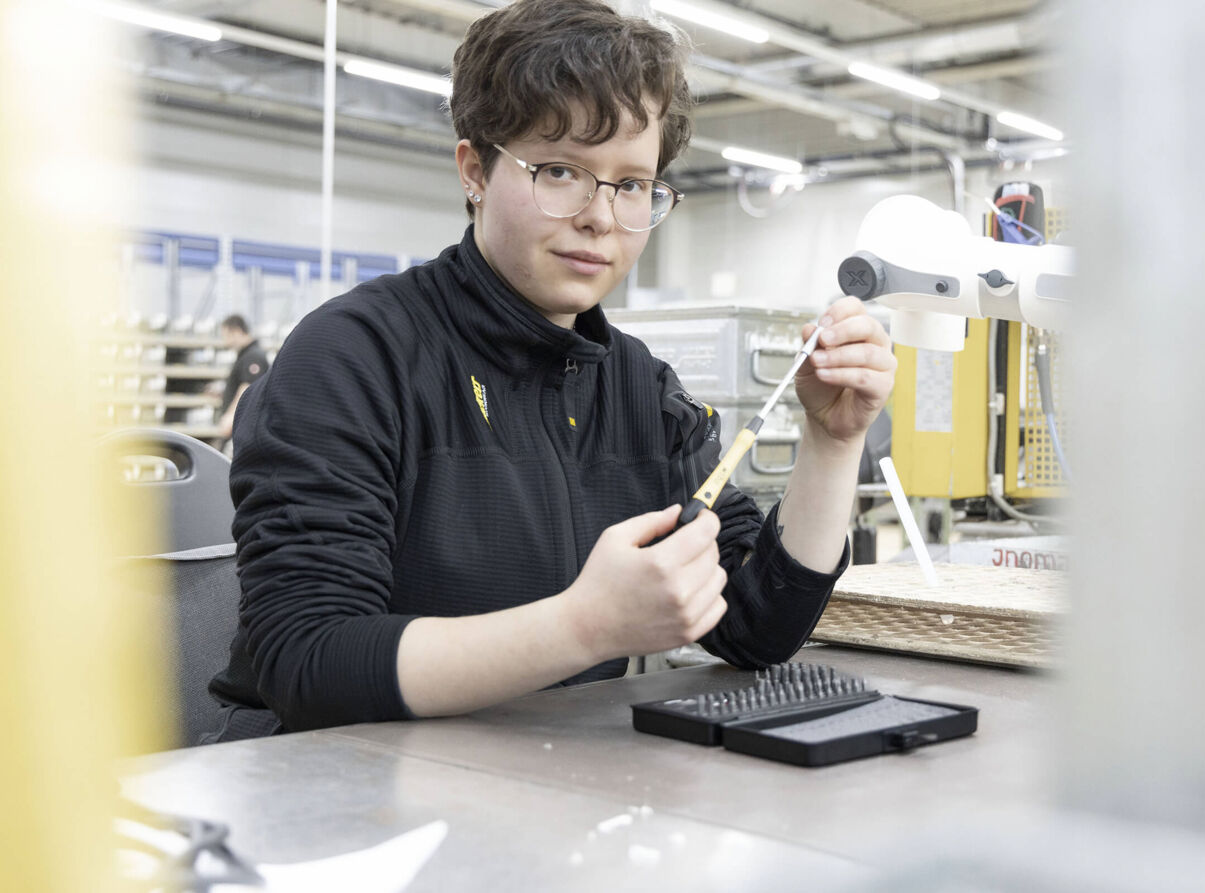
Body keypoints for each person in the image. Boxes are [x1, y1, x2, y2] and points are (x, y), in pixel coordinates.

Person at [204, 0, 895, 742]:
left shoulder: (639, 390)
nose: (601, 216)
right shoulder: (354, 357)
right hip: (341, 802)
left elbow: (756, 630)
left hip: (549, 791)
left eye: (632, 184)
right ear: (475, 169)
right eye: (561, 171)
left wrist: (832, 442)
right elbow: (307, 660)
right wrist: (582, 626)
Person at [211, 314, 269, 446]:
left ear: (237, 331)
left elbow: (248, 388)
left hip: (243, 428)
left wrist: (230, 418)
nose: (225, 341)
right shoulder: (245, 355)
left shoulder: (253, 356)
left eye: (226, 335)